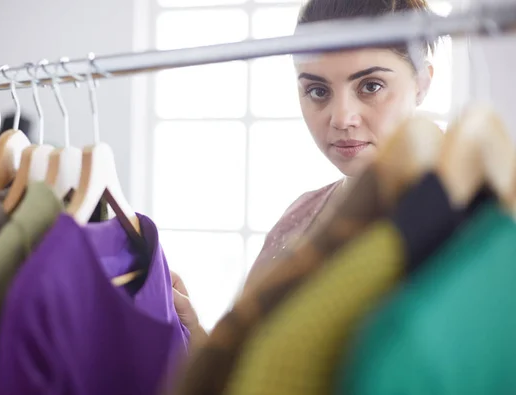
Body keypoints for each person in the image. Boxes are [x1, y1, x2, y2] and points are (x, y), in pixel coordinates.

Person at [173, 0, 437, 343]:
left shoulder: (465, 222)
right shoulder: (298, 215)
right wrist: (193, 335)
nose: (341, 118)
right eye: (317, 91)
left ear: (421, 83)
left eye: (370, 86)